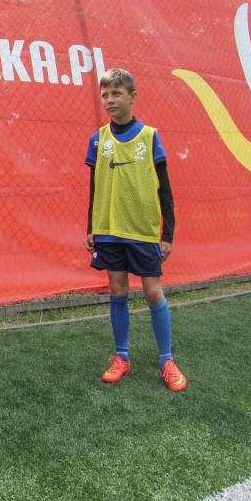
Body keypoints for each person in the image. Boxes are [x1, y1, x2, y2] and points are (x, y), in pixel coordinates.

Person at [84, 67, 187, 391]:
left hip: (143, 229)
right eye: (105, 95)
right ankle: (122, 357)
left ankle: (167, 360)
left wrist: (167, 234)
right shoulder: (98, 139)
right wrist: (91, 227)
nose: (110, 100)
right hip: (109, 229)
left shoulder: (150, 136)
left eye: (116, 93)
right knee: (117, 290)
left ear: (132, 96)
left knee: (153, 292)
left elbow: (164, 189)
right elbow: (95, 187)